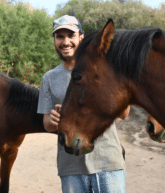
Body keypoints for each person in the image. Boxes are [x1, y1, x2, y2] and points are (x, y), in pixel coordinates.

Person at [37, 15, 130, 193]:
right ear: (54, 41)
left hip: (107, 162)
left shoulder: (104, 69)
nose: (65, 42)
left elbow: (124, 114)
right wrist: (55, 121)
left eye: (71, 35)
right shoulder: (49, 78)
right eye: (60, 36)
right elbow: (47, 123)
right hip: (71, 166)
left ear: (81, 36)